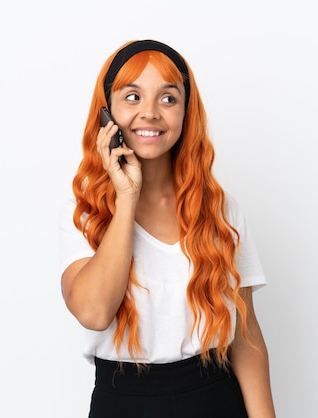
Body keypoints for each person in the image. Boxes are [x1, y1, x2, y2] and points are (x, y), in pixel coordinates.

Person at [58, 39, 276, 418]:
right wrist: (126, 197)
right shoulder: (85, 213)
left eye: (168, 98)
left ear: (186, 112)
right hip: (123, 404)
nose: (150, 113)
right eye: (132, 97)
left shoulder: (220, 210)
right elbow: (93, 312)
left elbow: (245, 335)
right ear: (106, 113)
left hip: (214, 398)